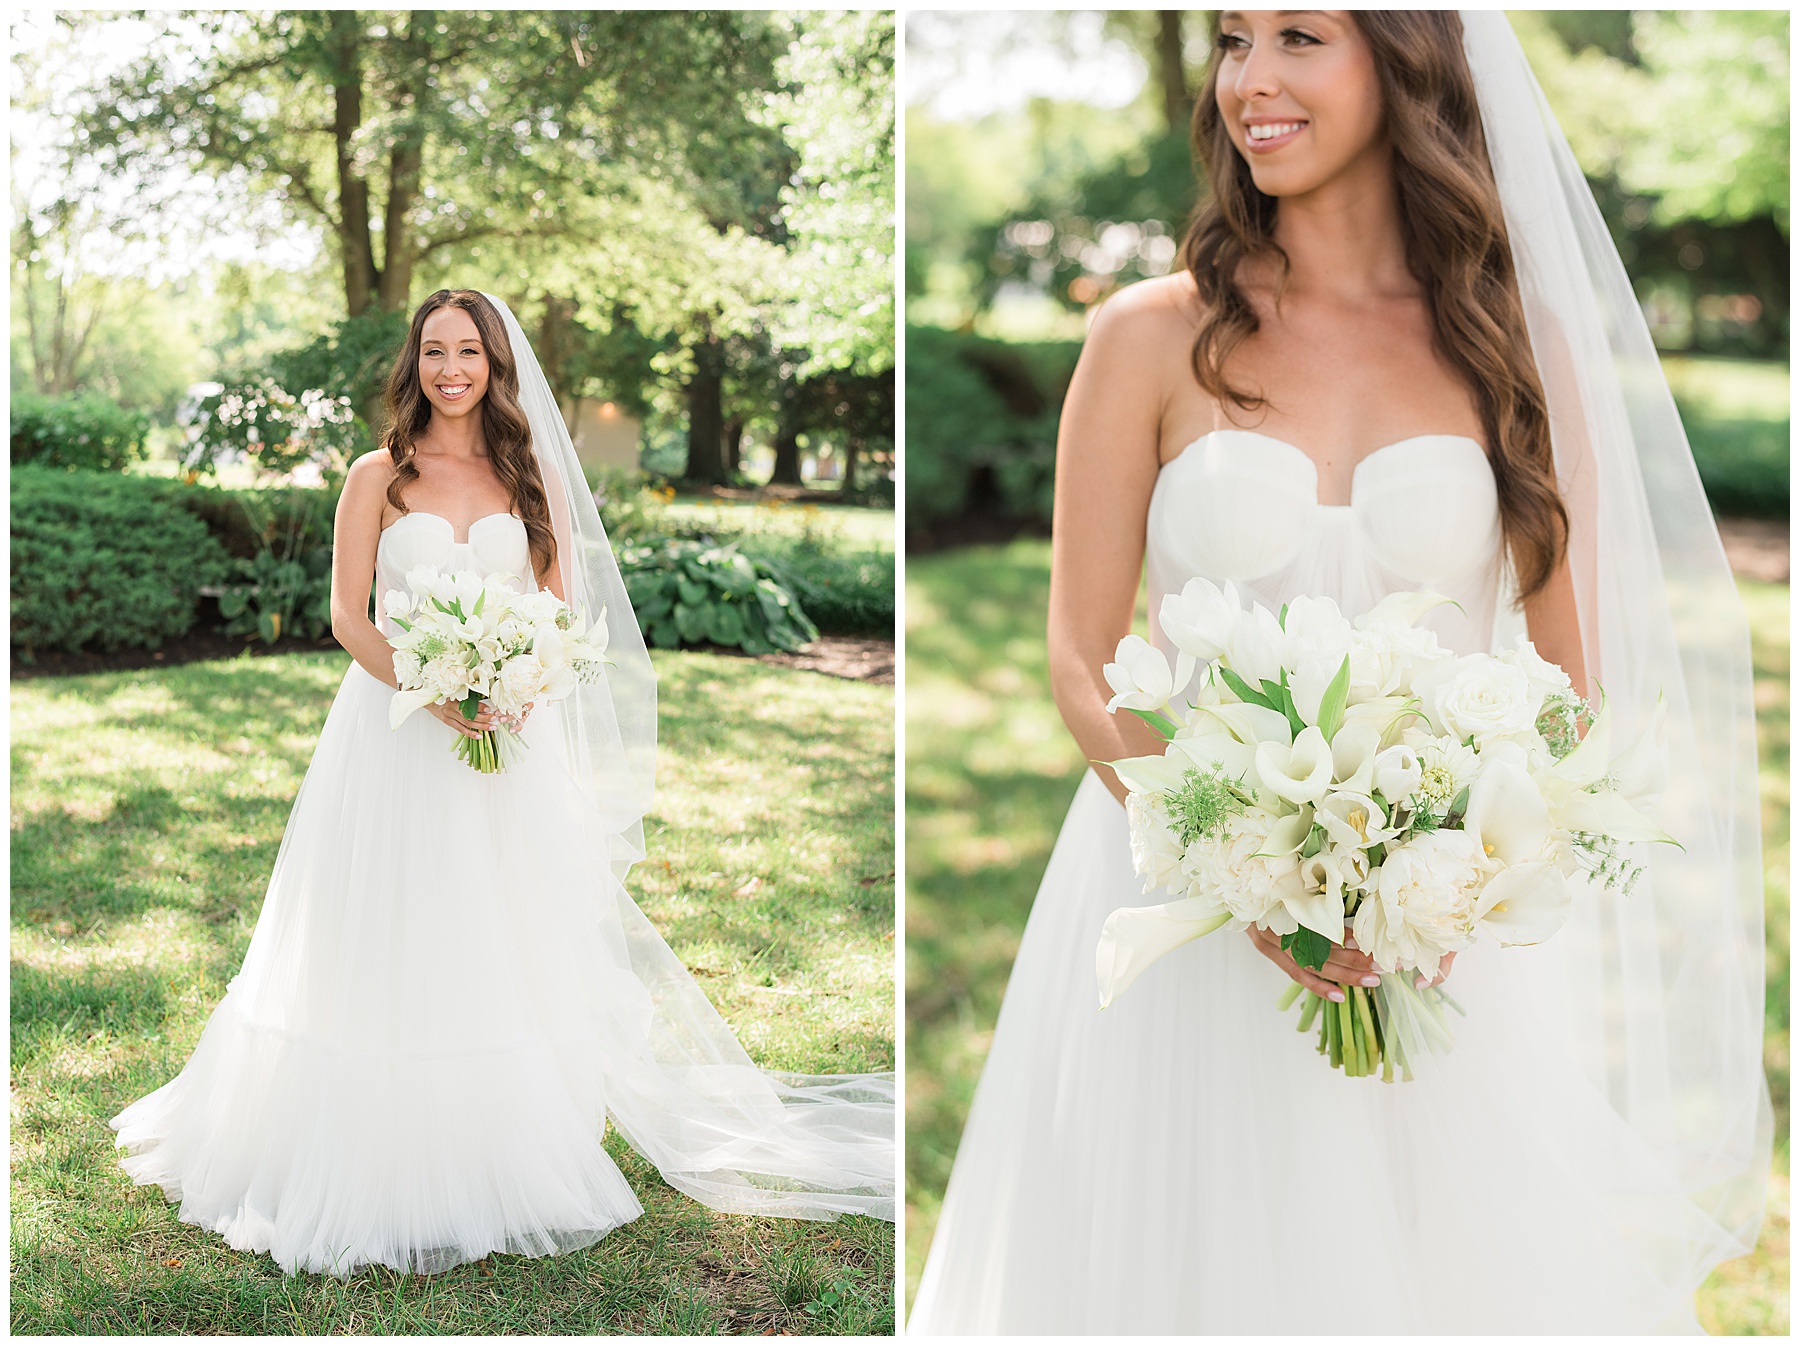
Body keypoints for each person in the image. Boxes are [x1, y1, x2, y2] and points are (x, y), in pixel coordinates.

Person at [908, 11, 1768, 1333]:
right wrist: (1245, 869)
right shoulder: (1149, 333)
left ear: (1408, 61)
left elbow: (1574, 692)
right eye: (1232, 42)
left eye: (1297, 37)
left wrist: (1442, 876)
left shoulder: (1516, 343)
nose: (1251, 80)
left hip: (1435, 934)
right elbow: (1082, 660)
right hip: (1175, 893)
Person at [111, 289, 894, 1277]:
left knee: (493, 929)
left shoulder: (531, 480)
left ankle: (500, 1144)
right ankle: (367, 1141)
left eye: (468, 351)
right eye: (434, 351)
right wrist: (431, 685)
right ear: (413, 363)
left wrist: (518, 681)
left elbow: (563, 611)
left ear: (494, 364)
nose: (450, 369)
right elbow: (350, 617)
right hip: (390, 733)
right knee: (383, 924)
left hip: (507, 742)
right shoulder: (374, 477)